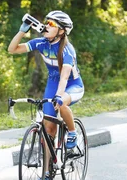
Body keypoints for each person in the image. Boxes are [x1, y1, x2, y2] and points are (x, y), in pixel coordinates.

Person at [7, 10, 85, 151]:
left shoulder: (67, 50)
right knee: (48, 130)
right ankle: (48, 170)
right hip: (52, 83)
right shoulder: (40, 43)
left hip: (72, 85)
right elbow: (12, 49)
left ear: (61, 31)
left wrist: (59, 95)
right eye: (46, 22)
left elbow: (65, 77)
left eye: (51, 23)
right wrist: (21, 32)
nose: (46, 25)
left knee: (61, 104)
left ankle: (73, 133)